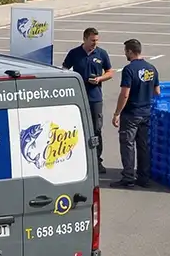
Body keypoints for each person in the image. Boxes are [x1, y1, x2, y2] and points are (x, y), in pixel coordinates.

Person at [62, 27, 114, 175]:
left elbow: (110, 72)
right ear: (84, 39)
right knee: (77, 128)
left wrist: (99, 79)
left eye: (96, 40)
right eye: (92, 40)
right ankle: (78, 159)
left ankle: (97, 160)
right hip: (78, 97)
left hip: (95, 98)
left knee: (96, 129)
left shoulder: (101, 53)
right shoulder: (74, 53)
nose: (95, 43)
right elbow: (64, 69)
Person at [111, 38, 160, 187]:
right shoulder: (151, 68)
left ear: (130, 51)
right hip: (146, 112)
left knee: (127, 145)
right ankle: (143, 178)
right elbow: (157, 92)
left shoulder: (129, 69)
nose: (125, 54)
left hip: (132, 113)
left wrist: (117, 113)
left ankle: (128, 177)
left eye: (126, 51)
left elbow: (125, 94)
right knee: (143, 145)